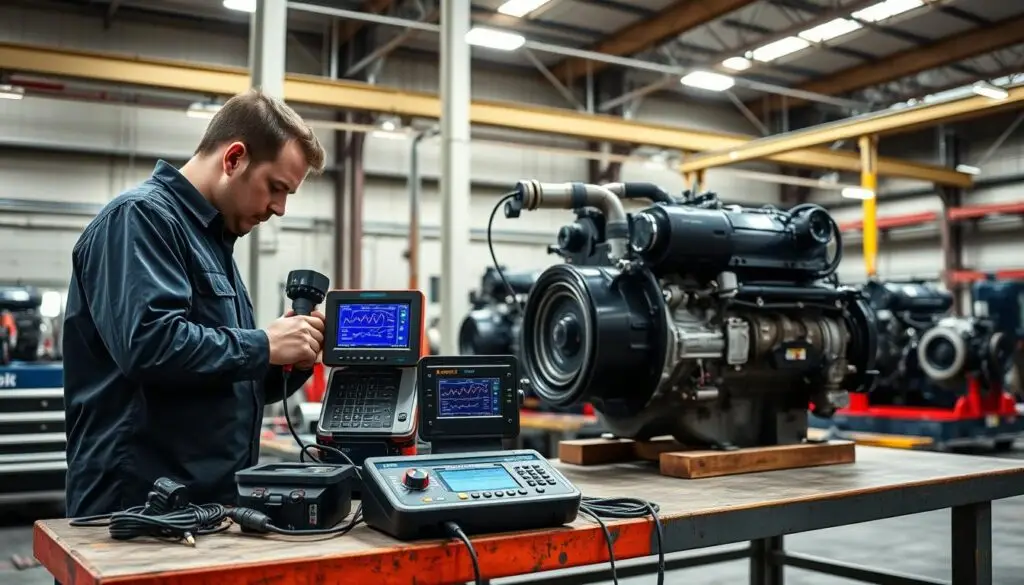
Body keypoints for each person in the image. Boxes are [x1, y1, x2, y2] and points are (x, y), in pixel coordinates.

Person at [61, 89, 329, 518]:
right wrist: (262, 344)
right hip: (136, 511)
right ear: (234, 158)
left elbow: (222, 382)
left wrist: (287, 361)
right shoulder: (140, 220)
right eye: (276, 188)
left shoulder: (213, 243)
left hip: (203, 508)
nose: (279, 208)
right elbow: (148, 345)